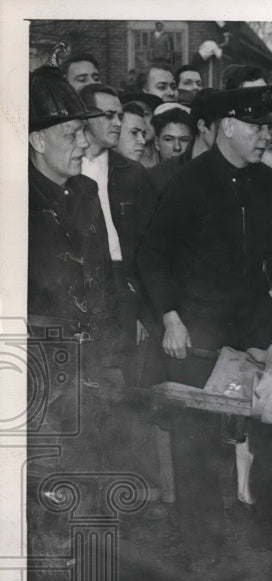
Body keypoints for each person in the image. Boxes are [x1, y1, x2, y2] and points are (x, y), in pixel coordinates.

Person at [137, 86, 272, 570]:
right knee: (198, 444)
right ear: (227, 125)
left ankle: (265, 532)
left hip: (246, 331)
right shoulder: (189, 182)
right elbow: (151, 255)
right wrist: (169, 317)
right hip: (199, 333)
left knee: (255, 429)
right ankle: (204, 552)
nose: (263, 135)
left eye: (267, 127)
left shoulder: (266, 183)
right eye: (255, 127)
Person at [27, 65, 124, 463]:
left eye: (85, 132)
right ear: (36, 139)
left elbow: (102, 280)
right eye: (72, 134)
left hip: (92, 369)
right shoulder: (17, 202)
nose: (84, 144)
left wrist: (112, 360)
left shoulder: (85, 190)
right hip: (38, 375)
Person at [79, 84, 158, 386]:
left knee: (122, 383)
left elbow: (148, 248)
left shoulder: (132, 174)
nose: (117, 123)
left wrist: (141, 311)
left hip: (121, 282)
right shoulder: (64, 166)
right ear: (85, 117)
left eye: (120, 115)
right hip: (80, 280)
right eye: (109, 115)